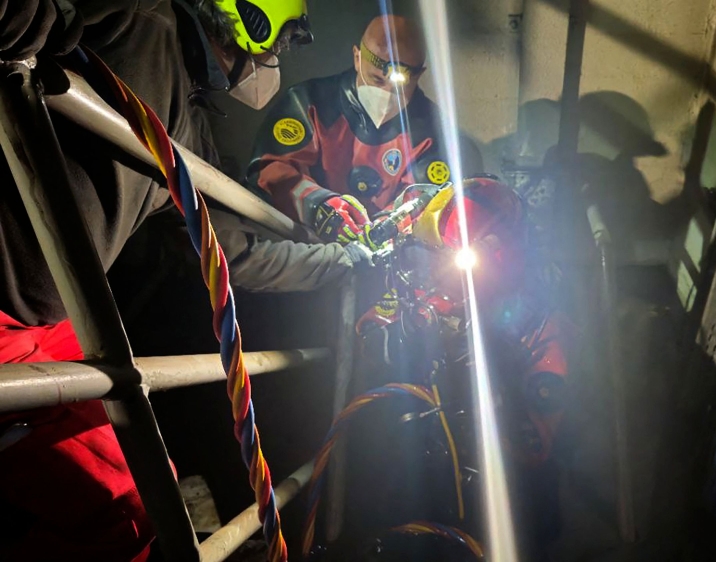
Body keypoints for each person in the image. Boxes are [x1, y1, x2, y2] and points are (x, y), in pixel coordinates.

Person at [0, 1, 366, 560]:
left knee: (142, 499)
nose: (276, 59)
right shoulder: (134, 16)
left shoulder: (187, 125)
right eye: (280, 41)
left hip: (44, 328)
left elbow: (233, 255)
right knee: (125, 508)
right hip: (11, 323)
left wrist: (343, 261)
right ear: (252, 20)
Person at [245, 14, 452, 247]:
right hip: (305, 245)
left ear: (419, 75)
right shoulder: (309, 102)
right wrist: (320, 206)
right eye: (376, 79)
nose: (386, 93)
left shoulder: (430, 130)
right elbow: (270, 170)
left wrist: (385, 228)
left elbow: (427, 197)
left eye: (398, 86)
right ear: (357, 57)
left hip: (384, 259)